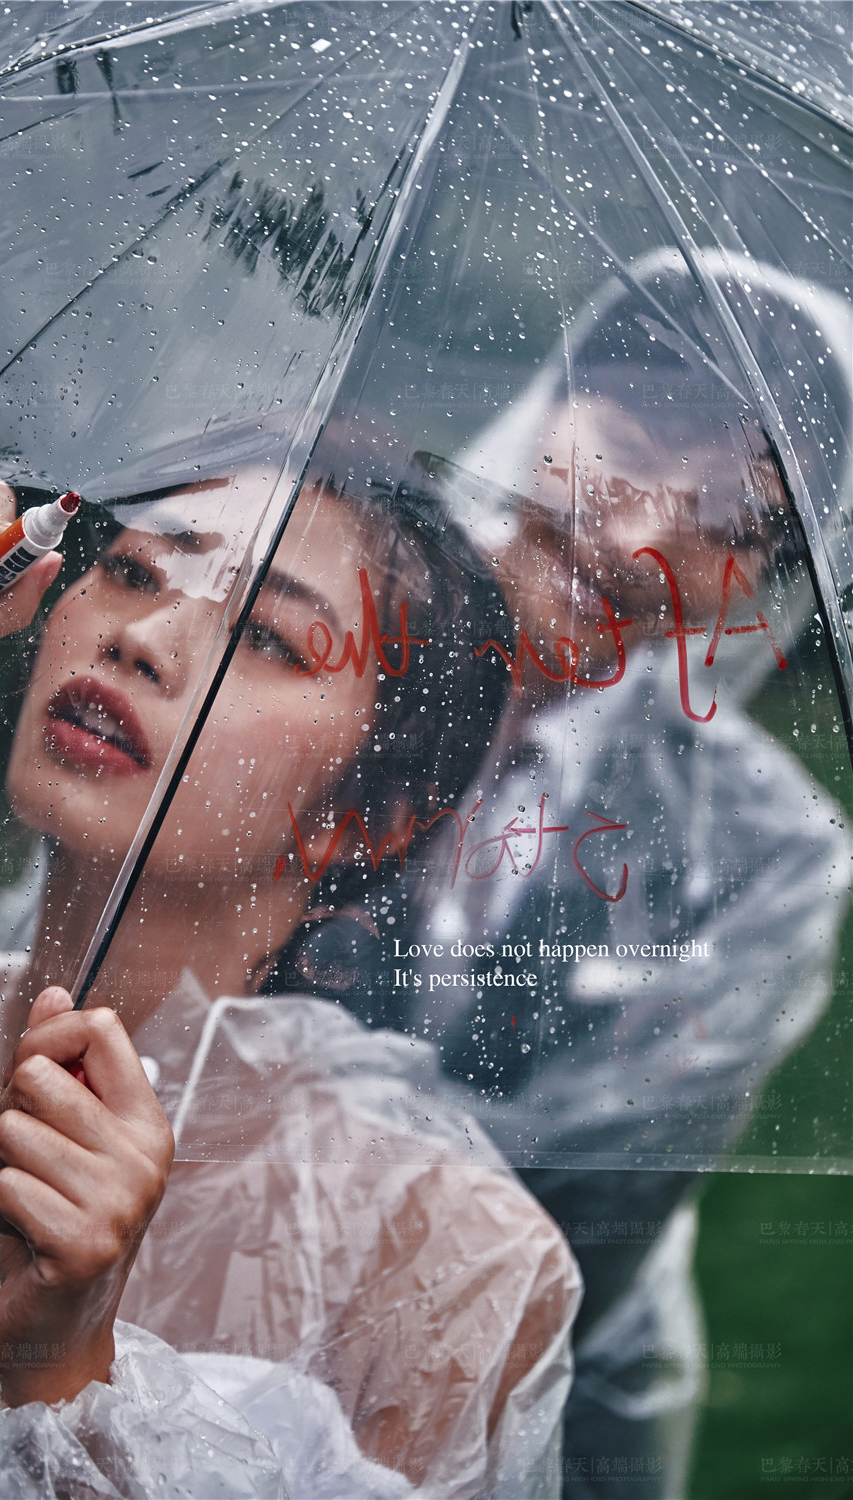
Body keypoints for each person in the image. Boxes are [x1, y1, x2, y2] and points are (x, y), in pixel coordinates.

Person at [0, 459, 581, 1498]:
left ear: (361, 819)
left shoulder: (445, 1266)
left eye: (268, 639)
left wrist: (65, 1378)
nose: (138, 640)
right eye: (137, 574)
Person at [341, 258, 851, 1498]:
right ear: (544, 403)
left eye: (726, 525)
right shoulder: (315, 675)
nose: (637, 537)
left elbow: (579, 1192)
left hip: (548, 1402)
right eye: (620, 440)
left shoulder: (774, 855)